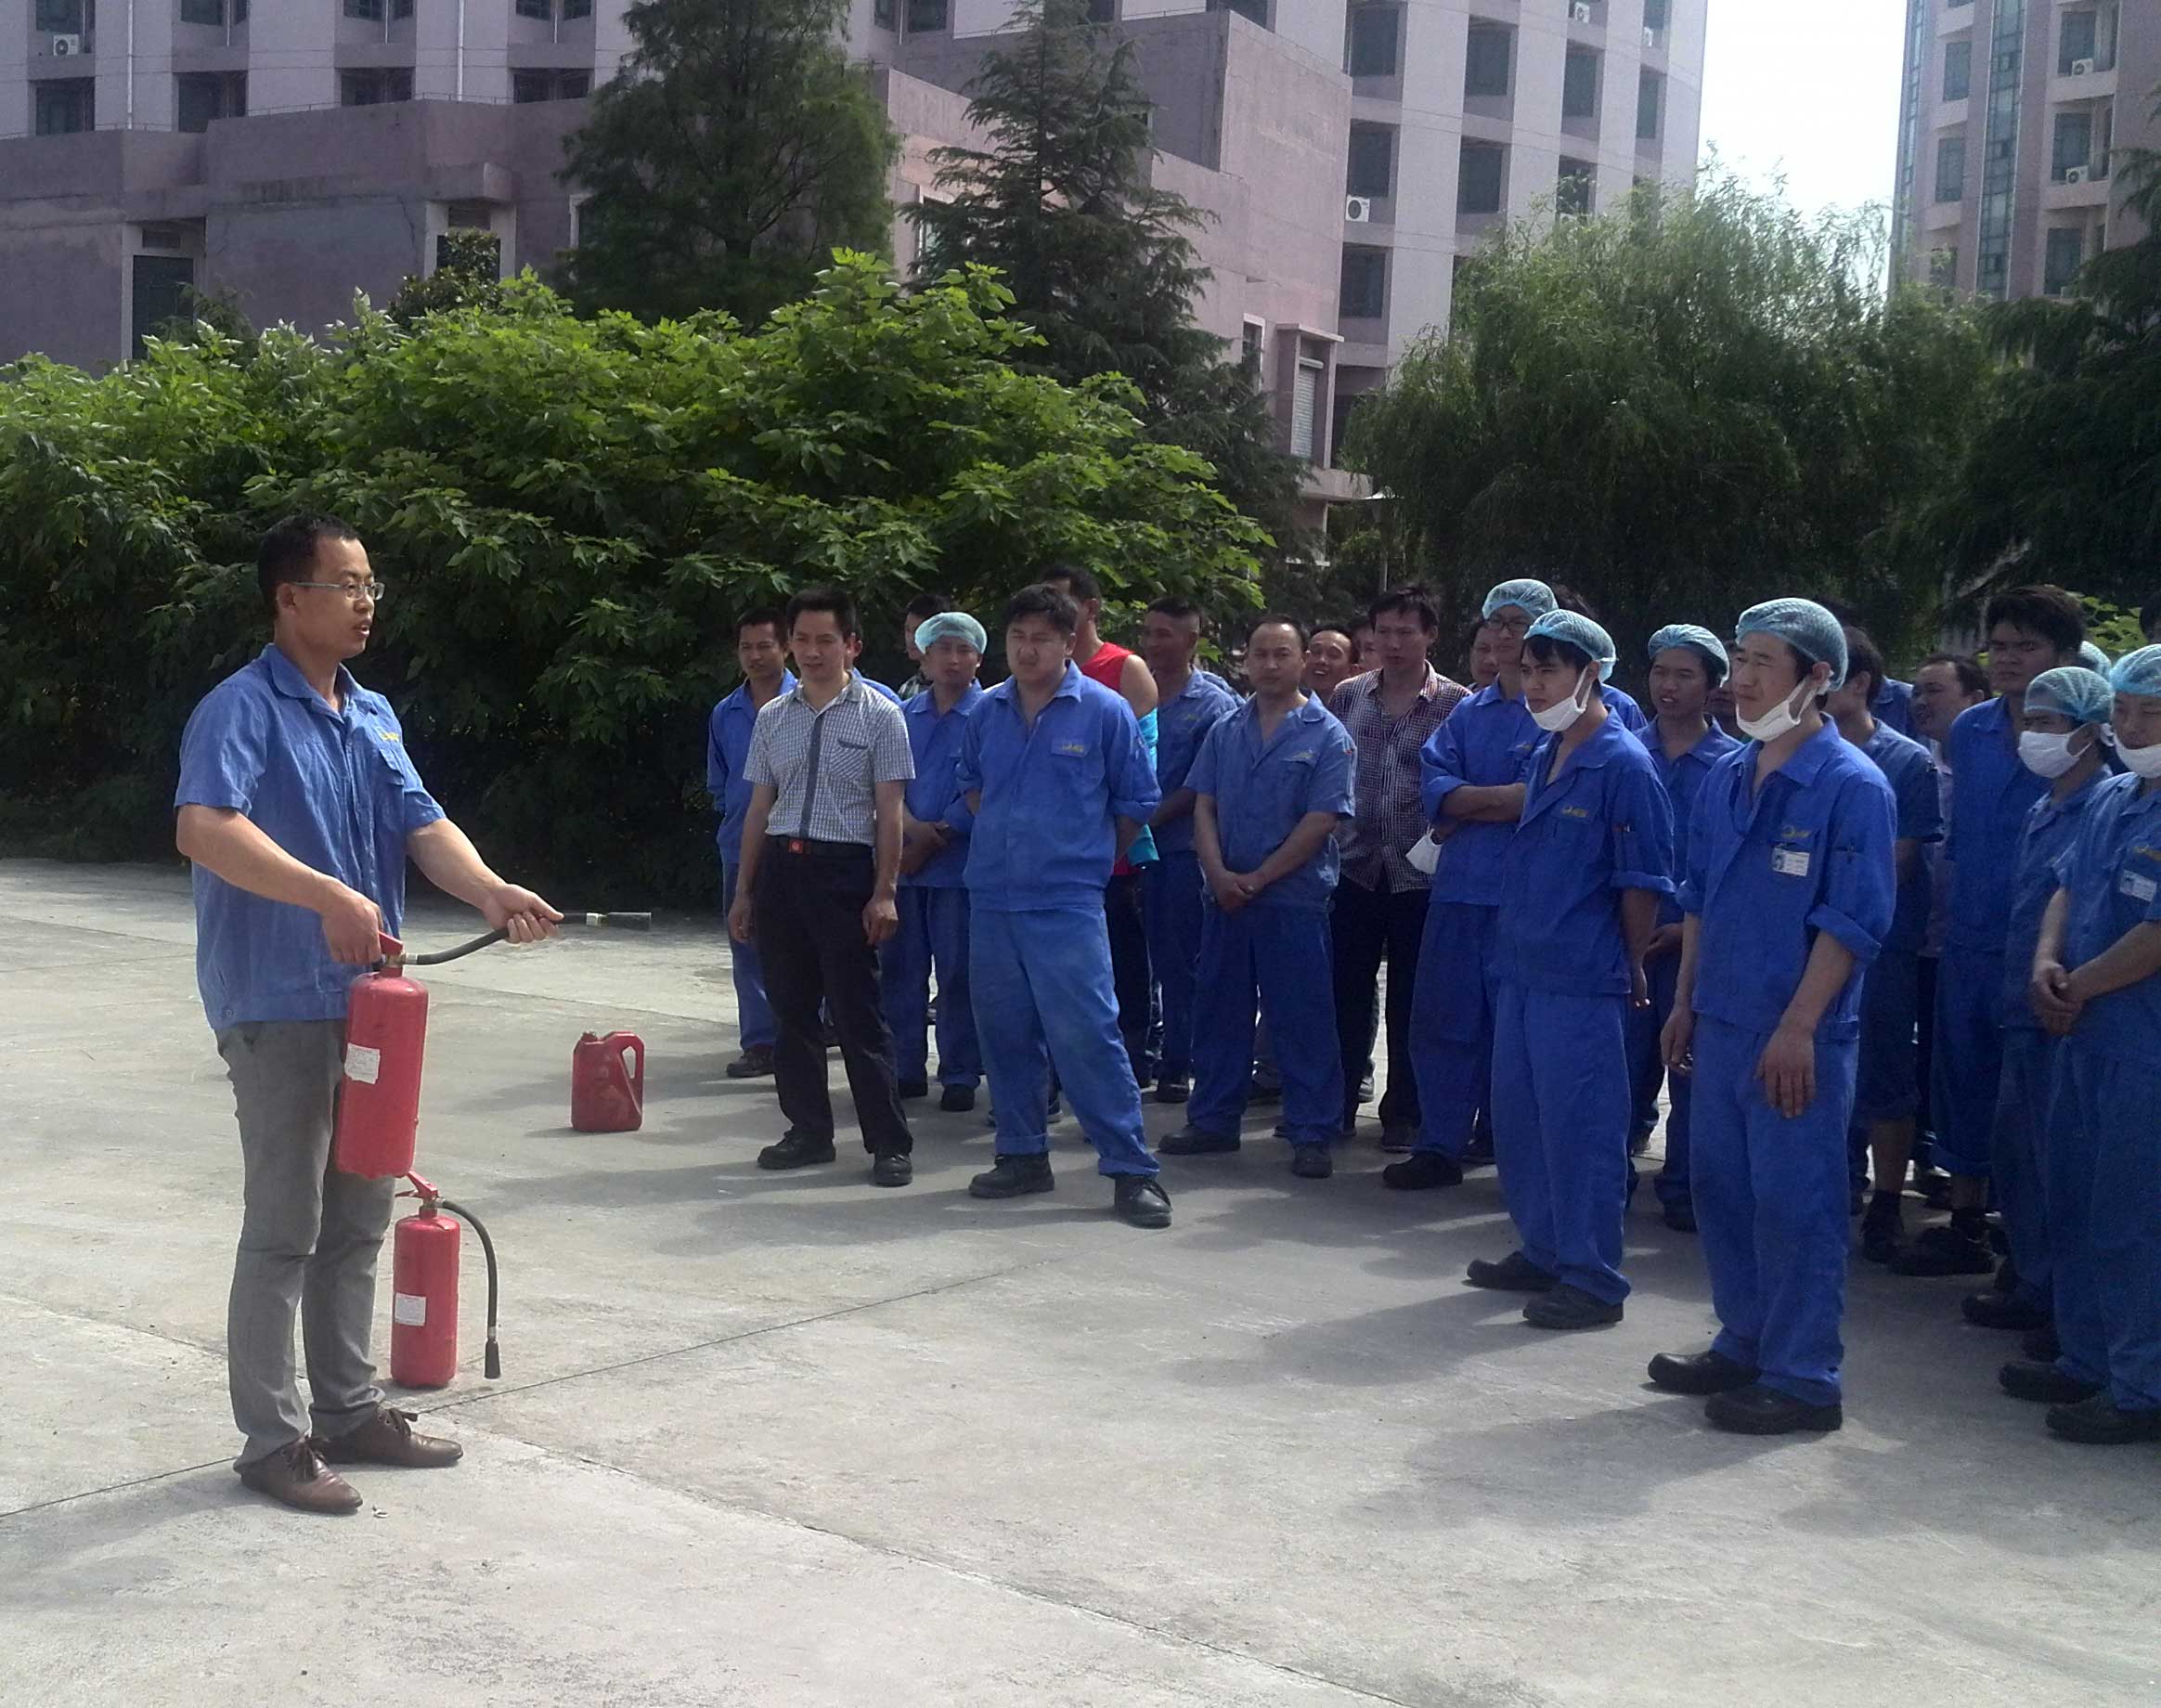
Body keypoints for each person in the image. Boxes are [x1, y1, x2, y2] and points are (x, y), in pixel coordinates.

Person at [175, 514, 562, 1514]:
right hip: (278, 1002)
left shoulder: (371, 712)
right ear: (287, 598)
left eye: (370, 585)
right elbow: (204, 828)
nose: (364, 603)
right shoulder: (239, 709)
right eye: (345, 584)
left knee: (357, 1217)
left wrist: (489, 891)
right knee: (284, 1228)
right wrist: (327, 897)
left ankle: (348, 1409)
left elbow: (422, 824)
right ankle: (273, 1441)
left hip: (373, 1011)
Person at [1651, 599, 1895, 1435]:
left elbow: (1852, 922)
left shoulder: (1852, 786)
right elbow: (1699, 899)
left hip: (1799, 1032)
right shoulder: (1729, 774)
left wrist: (1797, 1028)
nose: (1744, 679)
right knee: (1723, 1191)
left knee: (1797, 1203)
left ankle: (1802, 1376)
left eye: (1764, 662)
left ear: (1818, 677)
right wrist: (1684, 1001)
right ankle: (1744, 1338)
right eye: (1741, 658)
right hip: (1720, 1019)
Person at [1468, 611, 1674, 1328]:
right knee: (1523, 1121)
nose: (1533, 684)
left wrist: (1634, 961)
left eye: (1548, 671)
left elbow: (1640, 881)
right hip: (1524, 965)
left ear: (1591, 674)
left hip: (1582, 975)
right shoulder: (1545, 751)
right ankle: (1545, 1248)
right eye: (1527, 670)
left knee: (1581, 1128)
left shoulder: (1623, 764)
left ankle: (1593, 1277)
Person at [954, 583, 1172, 1228]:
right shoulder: (986, 712)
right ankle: (1022, 1154)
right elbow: (971, 788)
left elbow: (1136, 802)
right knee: (1005, 1033)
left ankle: (1131, 1170)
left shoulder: (1104, 711)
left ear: (1069, 643)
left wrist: (1083, 857)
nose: (1027, 650)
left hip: (1067, 903)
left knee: (1087, 1036)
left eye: (1042, 639)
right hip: (993, 899)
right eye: (1018, 637)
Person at [1897, 587, 2087, 1280]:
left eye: (2026, 647)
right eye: (1999, 647)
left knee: (2032, 1105)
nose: (2008, 660)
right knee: (1963, 1082)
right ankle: (1966, 1222)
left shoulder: (2081, 735)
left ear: (2064, 655)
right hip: (1969, 938)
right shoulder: (1971, 730)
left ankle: (2033, 1253)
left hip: (2045, 944)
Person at [729, 588, 918, 1184]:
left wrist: (884, 891)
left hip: (844, 872)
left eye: (826, 640)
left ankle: (888, 1143)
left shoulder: (881, 715)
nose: (812, 652)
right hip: (783, 870)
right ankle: (808, 1131)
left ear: (851, 645)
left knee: (858, 1014)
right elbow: (759, 808)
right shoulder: (772, 717)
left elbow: (890, 813)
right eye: (802, 640)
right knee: (791, 1011)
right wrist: (744, 891)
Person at [2021, 647, 2161, 1443]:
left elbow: (2154, 937)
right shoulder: (2111, 798)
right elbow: (2067, 888)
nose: (2133, 727)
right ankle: (2085, 1359)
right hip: (2084, 1038)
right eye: (2123, 711)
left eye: (2152, 712)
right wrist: (2047, 961)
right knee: (2071, 1202)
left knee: (2133, 1222)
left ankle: (2139, 1387)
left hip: (2143, 1050)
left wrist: (2077, 986)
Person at [1163, 615, 1356, 1176]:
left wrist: (1260, 878)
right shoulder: (1226, 729)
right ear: (1245, 661)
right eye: (1260, 654)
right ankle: (1212, 1121)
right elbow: (1203, 805)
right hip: (1224, 898)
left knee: (1300, 1018)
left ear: (1303, 661)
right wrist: (1219, 874)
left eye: (1282, 654)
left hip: (1292, 900)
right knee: (1218, 1012)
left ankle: (1311, 1130)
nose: (1270, 665)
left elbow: (1321, 820)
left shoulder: (1327, 735)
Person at [1389, 578, 1545, 1187]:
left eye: (1518, 623)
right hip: (1458, 891)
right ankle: (1440, 1144)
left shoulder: (1566, 712)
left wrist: (1471, 800)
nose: (1504, 634)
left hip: (1527, 897)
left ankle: (1512, 1146)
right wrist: (1501, 799)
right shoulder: (1468, 713)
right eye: (1496, 621)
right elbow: (1437, 792)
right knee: (1444, 1019)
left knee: (1517, 1031)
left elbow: (1546, 799)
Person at [1974, 667, 2111, 1362]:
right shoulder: (2045, 806)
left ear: (2090, 732)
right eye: (2030, 722)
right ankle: (2036, 1282)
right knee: (2019, 1157)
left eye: (2050, 724)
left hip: (2068, 1012)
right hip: (2022, 1007)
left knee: (2066, 1168)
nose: (2034, 735)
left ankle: (2070, 1307)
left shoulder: (2103, 806)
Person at [1327, 586, 1471, 1152]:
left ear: (1430, 635)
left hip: (1421, 873)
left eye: (1405, 632)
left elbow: (1463, 781)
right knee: (1344, 991)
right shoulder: (1348, 695)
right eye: (1383, 632)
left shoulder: (1456, 704)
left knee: (1414, 999)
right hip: (1355, 865)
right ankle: (1335, 1103)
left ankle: (1405, 1112)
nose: (1393, 643)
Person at [1827, 627, 1943, 1264]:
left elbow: (1894, 863)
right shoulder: (1794, 754)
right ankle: (1831, 1185)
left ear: (1860, 684)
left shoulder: (1905, 763)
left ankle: (1888, 1203)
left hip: (1881, 946)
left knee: (1885, 1076)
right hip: (1805, 941)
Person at [1628, 625, 1741, 1233]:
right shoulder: (1624, 752)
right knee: (1620, 1066)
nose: (1668, 686)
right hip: (1627, 938)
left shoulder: (1733, 765)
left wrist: (1679, 928)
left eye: (1684, 675)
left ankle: (1685, 1186)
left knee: (1691, 1069)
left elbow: (1730, 868)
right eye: (1659, 672)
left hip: (1695, 943)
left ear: (1712, 685)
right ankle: (1608, 1174)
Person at [1040, 563, 1159, 1081]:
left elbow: (1140, 768)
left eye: (1059, 600)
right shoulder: (1035, 673)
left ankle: (1128, 1063)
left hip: (1110, 850)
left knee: (1120, 960)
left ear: (1089, 608)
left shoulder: (1125, 668)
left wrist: (1108, 839)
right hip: (1050, 851)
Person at [882, 611, 987, 1113]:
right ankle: (904, 1067)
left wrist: (936, 834)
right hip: (904, 865)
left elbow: (985, 788)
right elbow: (885, 785)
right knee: (901, 970)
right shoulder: (902, 716)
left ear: (979, 659)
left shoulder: (991, 714)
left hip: (959, 868)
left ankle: (960, 1071)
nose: (953, 659)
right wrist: (909, 830)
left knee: (958, 972)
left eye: (963, 650)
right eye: (942, 649)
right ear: (924, 657)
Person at [1138, 596, 1240, 1105]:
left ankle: (1181, 1061)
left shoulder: (1213, 705)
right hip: (1124, 849)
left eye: (1165, 634)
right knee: (1133, 960)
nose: (1152, 643)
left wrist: (1147, 817)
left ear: (1191, 641)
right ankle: (1138, 1052)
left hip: (1179, 851)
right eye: (1148, 632)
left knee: (1180, 962)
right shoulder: (1130, 693)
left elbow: (1204, 786)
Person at [1907, 652, 1988, 1184]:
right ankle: (1922, 1153)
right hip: (1913, 939)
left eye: (1935, 690)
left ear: (1974, 700)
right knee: (1913, 1060)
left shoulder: (1989, 772)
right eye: (1917, 691)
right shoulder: (1914, 765)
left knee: (1961, 1063)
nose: (1921, 702)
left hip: (1968, 944)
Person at [707, 612, 795, 1080]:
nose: (755, 656)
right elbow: (719, 782)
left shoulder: (808, 703)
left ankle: (803, 1036)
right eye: (746, 647)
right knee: (746, 943)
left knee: (800, 946)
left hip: (798, 844)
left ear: (786, 648)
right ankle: (760, 1042)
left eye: (765, 646)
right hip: (739, 845)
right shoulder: (726, 713)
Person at [893, 591, 950, 701]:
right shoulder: (907, 688)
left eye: (919, 631)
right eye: (908, 630)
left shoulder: (956, 687)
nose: (911, 639)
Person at [1305, 624, 1361, 703]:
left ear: (1352, 671)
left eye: (1333, 655)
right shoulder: (1288, 706)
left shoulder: (1359, 708)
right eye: (1316, 652)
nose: (1321, 660)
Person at [1465, 622, 1501, 691]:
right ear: (1471, 652)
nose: (1490, 660)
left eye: (1500, 650)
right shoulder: (1459, 695)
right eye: (1483, 649)